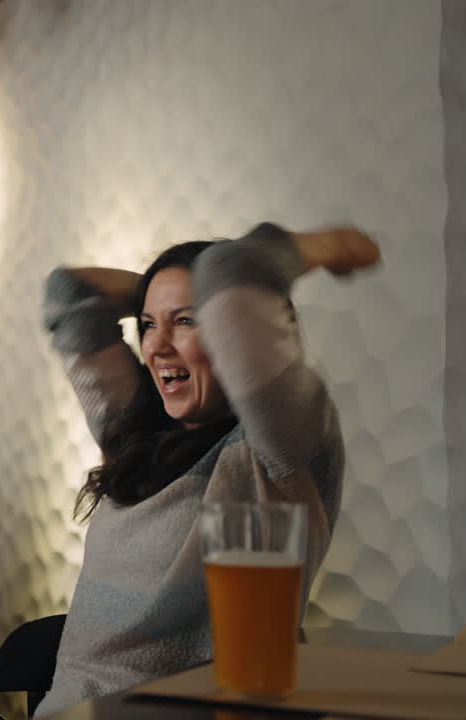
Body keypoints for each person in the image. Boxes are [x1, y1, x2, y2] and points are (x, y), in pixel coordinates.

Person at [31, 222, 380, 715]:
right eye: (148, 324)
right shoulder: (132, 430)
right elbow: (72, 293)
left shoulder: (280, 445)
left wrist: (329, 247)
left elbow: (233, 275)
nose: (156, 347)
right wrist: (170, 293)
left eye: (186, 323)